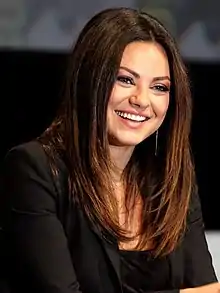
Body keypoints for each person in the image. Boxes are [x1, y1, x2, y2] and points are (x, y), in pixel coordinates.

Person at [1, 7, 219, 293]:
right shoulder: (34, 169)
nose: (142, 100)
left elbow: (206, 288)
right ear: (90, 80)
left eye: (159, 87)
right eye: (125, 80)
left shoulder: (171, 176)